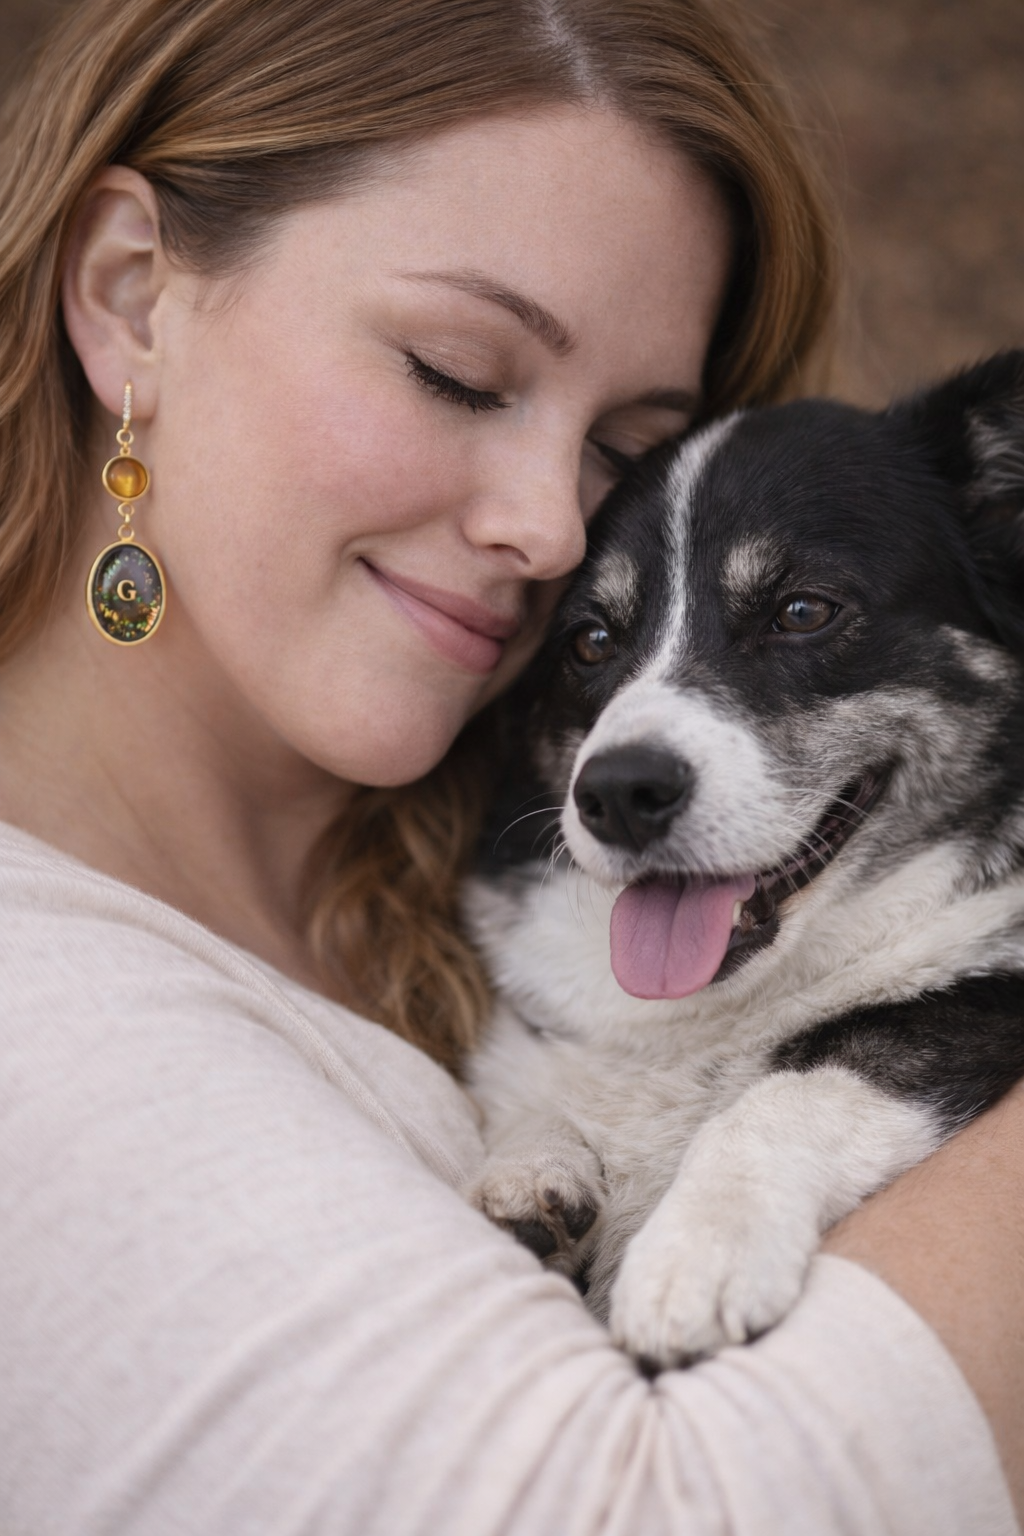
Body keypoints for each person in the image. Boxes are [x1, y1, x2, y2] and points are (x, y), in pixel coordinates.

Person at [0, 1, 1020, 1531]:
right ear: (136, 296)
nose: (554, 530)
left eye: (624, 452)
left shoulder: (473, 878)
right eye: (459, 372)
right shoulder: (43, 1013)